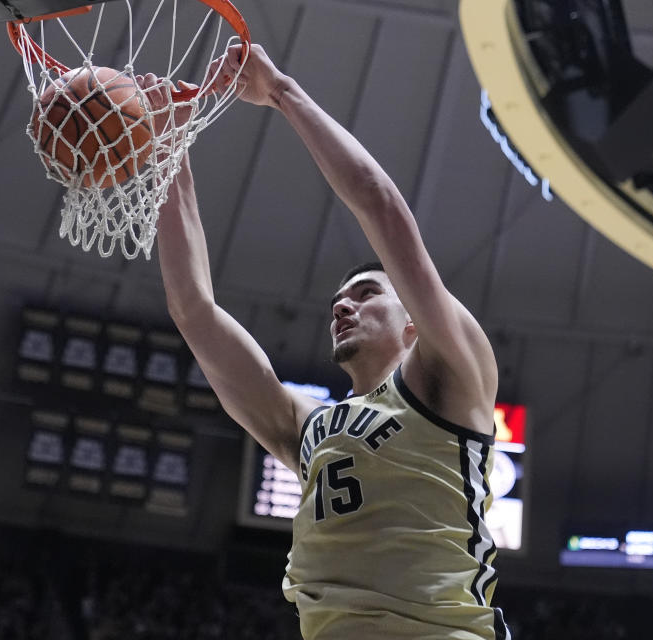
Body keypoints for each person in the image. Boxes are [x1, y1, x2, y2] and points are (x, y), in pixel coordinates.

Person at [146, 43, 510, 640]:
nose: (343, 304)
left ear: (414, 320)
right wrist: (166, 155)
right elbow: (193, 309)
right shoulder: (306, 425)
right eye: (338, 300)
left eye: (367, 293)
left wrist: (282, 93)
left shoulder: (450, 373)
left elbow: (378, 202)